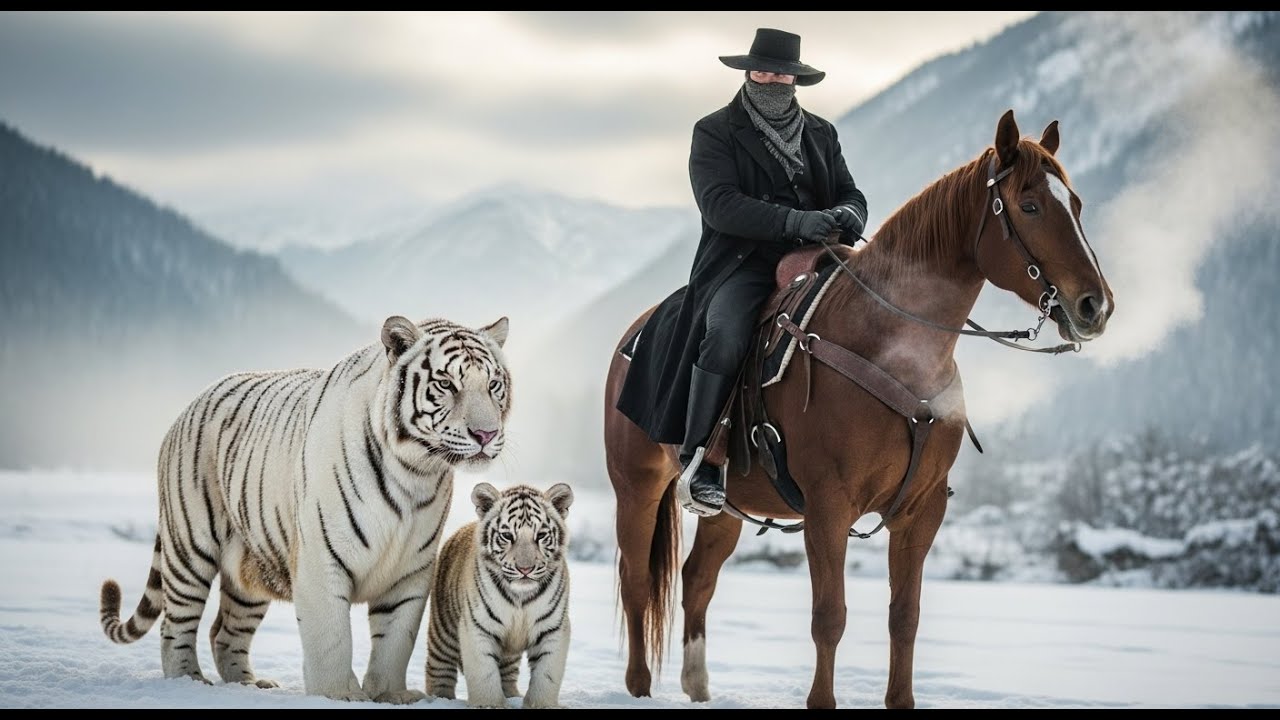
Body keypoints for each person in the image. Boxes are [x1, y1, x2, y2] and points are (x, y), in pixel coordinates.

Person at [615, 27, 867, 517]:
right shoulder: (714, 131)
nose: (768, 79)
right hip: (741, 262)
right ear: (748, 71)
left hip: (819, 258)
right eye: (761, 70)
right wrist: (795, 220)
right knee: (727, 333)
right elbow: (720, 206)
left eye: (778, 72)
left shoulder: (821, 133)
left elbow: (848, 190)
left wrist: (854, 214)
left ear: (794, 79)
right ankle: (701, 459)